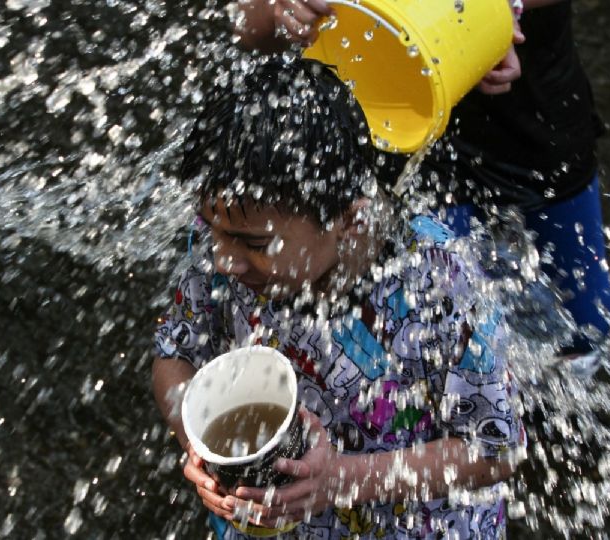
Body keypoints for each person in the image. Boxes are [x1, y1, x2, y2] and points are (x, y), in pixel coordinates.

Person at [152, 59, 524, 539]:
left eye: (255, 245)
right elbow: (174, 352)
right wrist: (194, 438)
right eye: (214, 232)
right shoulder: (229, 233)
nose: (224, 260)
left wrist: (340, 481)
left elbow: (496, 449)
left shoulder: (437, 287)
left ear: (352, 223)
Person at [231, 0, 610, 376]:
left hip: (533, 129)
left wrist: (494, 8)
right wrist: (280, 9)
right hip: (395, 128)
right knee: (438, 331)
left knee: (588, 322)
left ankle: (567, 388)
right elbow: (249, 26)